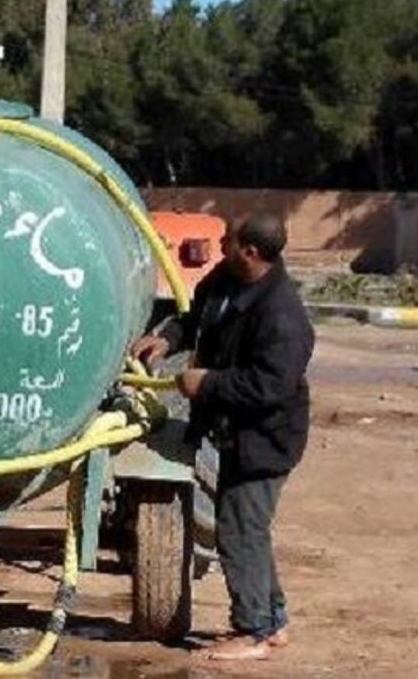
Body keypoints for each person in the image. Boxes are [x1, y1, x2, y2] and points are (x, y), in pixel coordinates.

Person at [131, 214, 314, 661]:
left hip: (265, 439)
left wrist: (207, 384)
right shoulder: (226, 278)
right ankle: (272, 620)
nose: (220, 245)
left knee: (238, 530)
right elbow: (196, 317)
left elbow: (269, 386)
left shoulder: (283, 317)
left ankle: (252, 632)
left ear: (250, 251)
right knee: (250, 528)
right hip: (234, 431)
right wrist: (167, 338)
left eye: (227, 240)